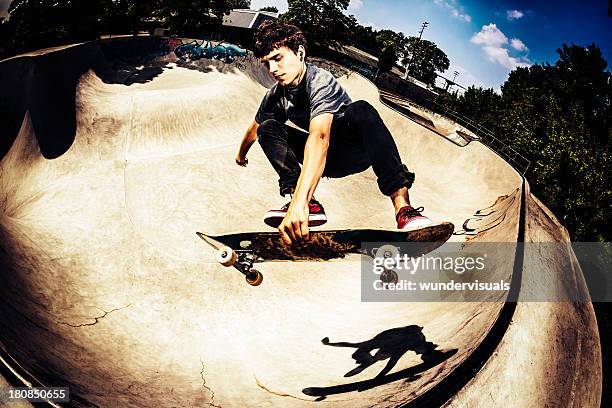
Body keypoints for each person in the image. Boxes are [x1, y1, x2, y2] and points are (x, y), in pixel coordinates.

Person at [236, 21, 432, 245]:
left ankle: (404, 210)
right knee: (268, 127)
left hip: (356, 150)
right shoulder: (276, 95)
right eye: (266, 63)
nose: (272, 70)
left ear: (300, 53)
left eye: (278, 58)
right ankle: (309, 205)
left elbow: (320, 136)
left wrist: (300, 200)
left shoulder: (320, 81)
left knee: (361, 109)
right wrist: (241, 155)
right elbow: (255, 127)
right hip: (328, 162)